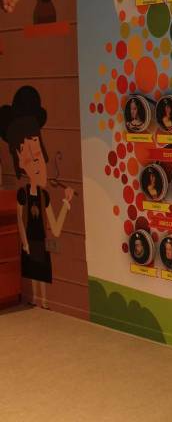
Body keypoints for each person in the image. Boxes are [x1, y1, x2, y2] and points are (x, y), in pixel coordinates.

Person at [0, 87, 75, 308]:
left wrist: (66, 203)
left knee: (41, 275)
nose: (39, 165)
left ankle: (43, 303)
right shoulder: (22, 194)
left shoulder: (45, 196)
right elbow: (20, 222)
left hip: (41, 244)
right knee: (33, 273)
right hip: (30, 244)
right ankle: (36, 301)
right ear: (20, 162)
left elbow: (56, 229)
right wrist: (24, 243)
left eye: (39, 156)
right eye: (32, 159)